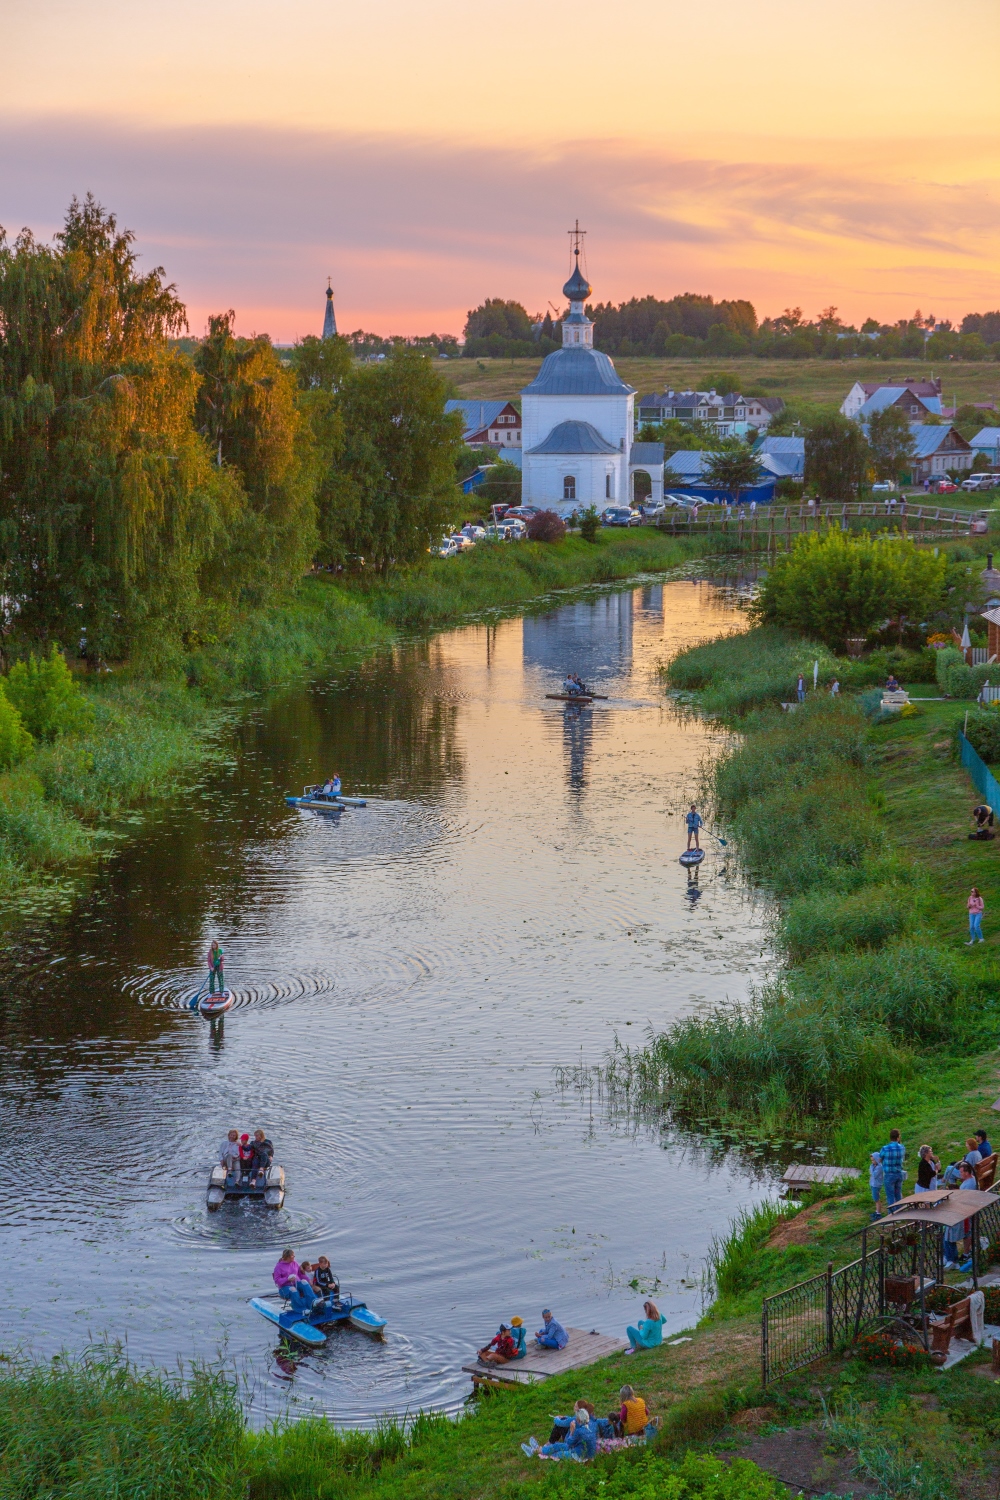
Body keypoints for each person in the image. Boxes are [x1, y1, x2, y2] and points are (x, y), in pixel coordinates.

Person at [879, 1128, 905, 1208]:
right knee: (898, 1195)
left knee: (890, 1196)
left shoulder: (885, 1148)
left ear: (890, 1137)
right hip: (899, 1173)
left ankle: (892, 1215)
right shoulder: (902, 1147)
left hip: (889, 1174)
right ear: (898, 1137)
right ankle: (900, 1214)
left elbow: (880, 1159)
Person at [869, 1152, 884, 1219]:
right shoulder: (874, 1166)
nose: (872, 1162)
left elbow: (874, 1175)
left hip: (876, 1185)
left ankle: (879, 1213)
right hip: (873, 1184)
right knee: (875, 1198)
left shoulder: (879, 1167)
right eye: (871, 1160)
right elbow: (871, 1173)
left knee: (876, 1199)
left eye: (873, 1160)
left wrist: (871, 1170)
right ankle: (876, 1211)